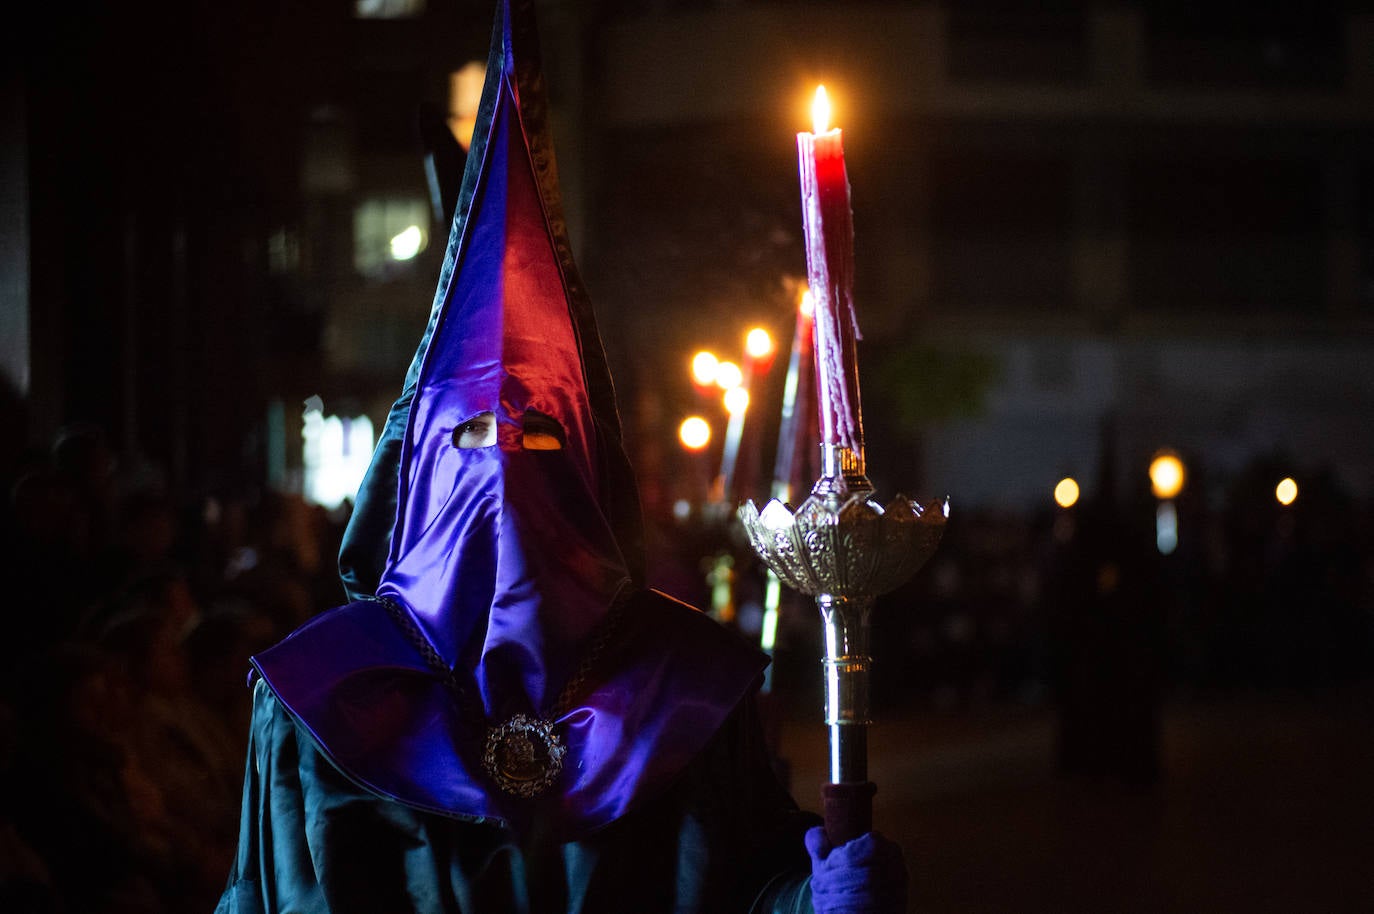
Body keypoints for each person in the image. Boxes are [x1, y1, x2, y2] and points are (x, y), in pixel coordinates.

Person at [216, 2, 905, 911]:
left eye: (540, 436)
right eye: (471, 437)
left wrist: (817, 899)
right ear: (417, 470)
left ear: (588, 465)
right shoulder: (324, 698)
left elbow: (752, 885)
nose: (505, 466)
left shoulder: (685, 686)